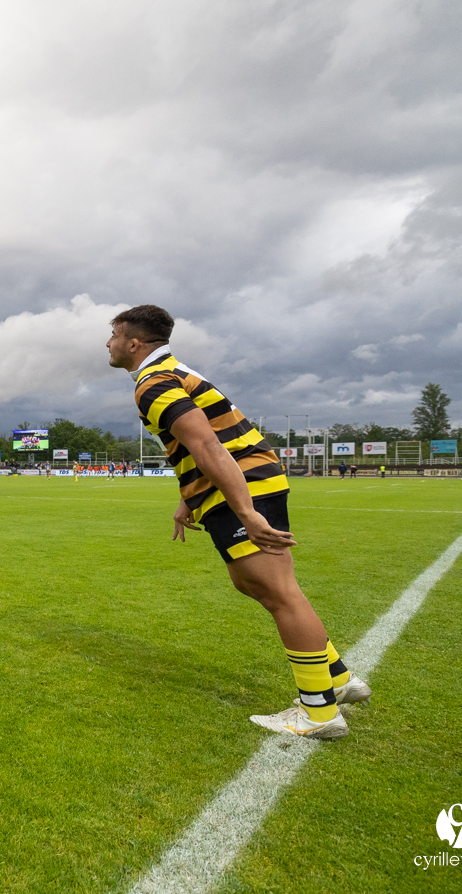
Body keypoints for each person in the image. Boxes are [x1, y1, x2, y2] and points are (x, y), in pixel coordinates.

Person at [108, 305, 368, 739]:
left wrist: (246, 512)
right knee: (251, 584)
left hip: (244, 486)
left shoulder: (154, 382)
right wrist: (187, 499)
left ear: (133, 342)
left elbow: (207, 445)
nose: (108, 343)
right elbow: (204, 441)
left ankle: (319, 713)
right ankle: (338, 679)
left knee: (280, 593)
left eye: (114, 335)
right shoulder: (169, 373)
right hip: (240, 484)